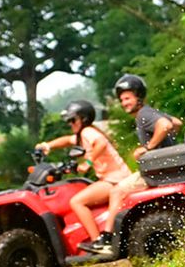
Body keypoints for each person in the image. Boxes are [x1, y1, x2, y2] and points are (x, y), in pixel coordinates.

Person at [84, 74, 183, 257]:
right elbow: (176, 123)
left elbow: (165, 126)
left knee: (116, 191)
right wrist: (165, 146)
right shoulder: (148, 112)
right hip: (164, 168)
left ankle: (106, 239)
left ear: (139, 97)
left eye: (128, 98)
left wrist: (148, 148)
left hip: (156, 172)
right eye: (122, 100)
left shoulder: (144, 114)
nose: (124, 103)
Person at [34, 100, 132, 253]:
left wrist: (88, 162)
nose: (70, 123)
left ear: (83, 119)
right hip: (111, 179)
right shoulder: (82, 135)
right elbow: (67, 140)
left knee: (77, 201)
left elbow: (101, 143)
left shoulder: (88, 132)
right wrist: (47, 145)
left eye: (73, 120)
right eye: (69, 121)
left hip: (116, 180)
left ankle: (99, 242)